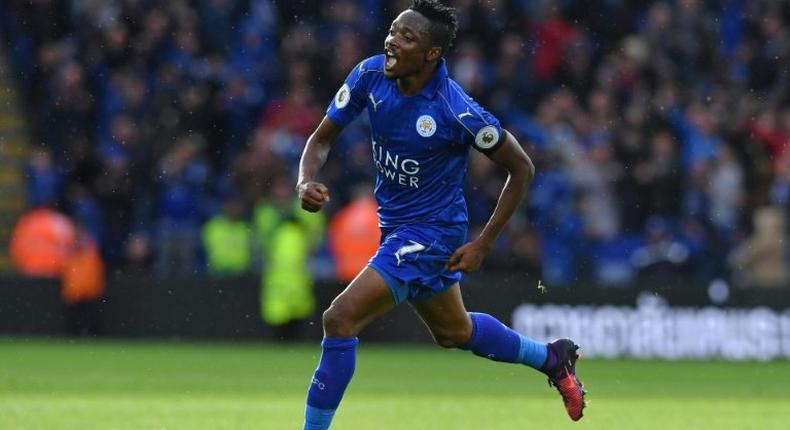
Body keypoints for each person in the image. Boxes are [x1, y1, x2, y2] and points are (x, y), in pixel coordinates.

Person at [295, 2, 586, 429]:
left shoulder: (457, 110)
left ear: (432, 54)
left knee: (339, 318)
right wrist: (305, 180)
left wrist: (483, 242)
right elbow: (320, 139)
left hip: (432, 235)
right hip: (397, 227)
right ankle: (551, 358)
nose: (392, 40)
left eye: (407, 37)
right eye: (393, 31)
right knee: (455, 332)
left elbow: (521, 167)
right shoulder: (370, 75)